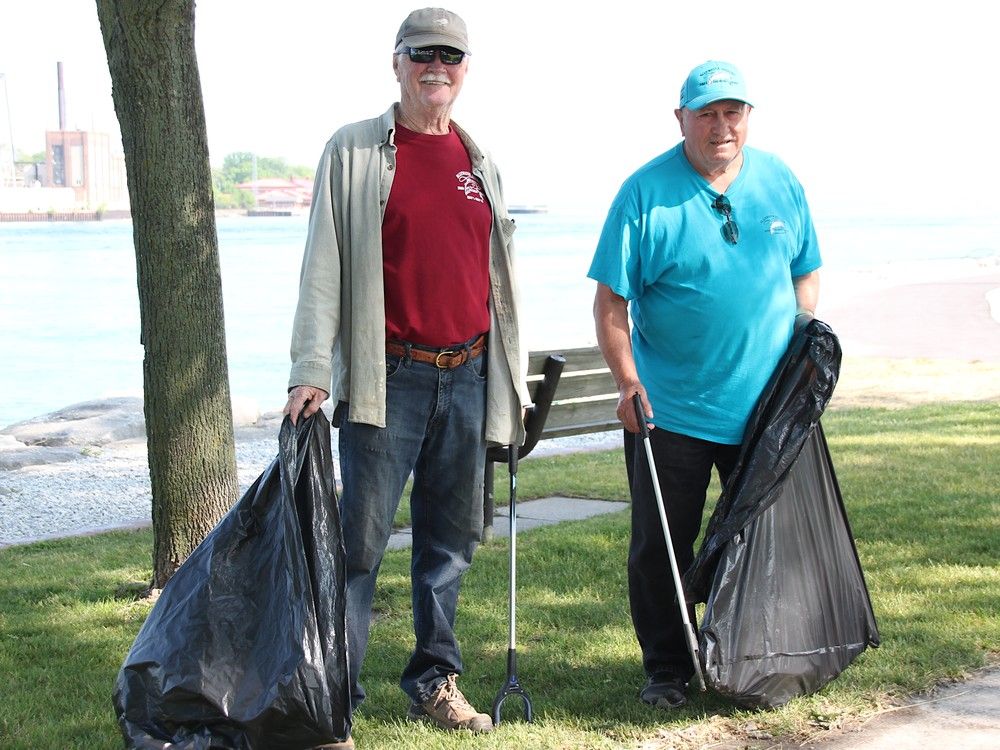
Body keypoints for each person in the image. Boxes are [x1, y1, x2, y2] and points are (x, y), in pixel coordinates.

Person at [283, 7, 529, 744]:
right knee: (357, 550)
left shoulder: (478, 161)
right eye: (422, 52)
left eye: (450, 56)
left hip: (469, 374)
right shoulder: (356, 150)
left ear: (465, 69)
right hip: (389, 379)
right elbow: (322, 263)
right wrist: (310, 368)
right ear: (396, 62)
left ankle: (434, 683)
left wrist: (504, 383)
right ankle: (335, 702)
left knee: (448, 547)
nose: (436, 66)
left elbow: (498, 282)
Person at [588, 60, 821, 710]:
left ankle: (752, 656)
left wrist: (801, 338)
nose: (721, 126)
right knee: (660, 551)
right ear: (681, 118)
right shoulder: (646, 194)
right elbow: (611, 304)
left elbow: (806, 271)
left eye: (733, 112)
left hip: (766, 414)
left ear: (747, 117)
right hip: (671, 414)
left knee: (762, 543)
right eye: (707, 113)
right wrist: (627, 381)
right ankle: (668, 670)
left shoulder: (780, 182)